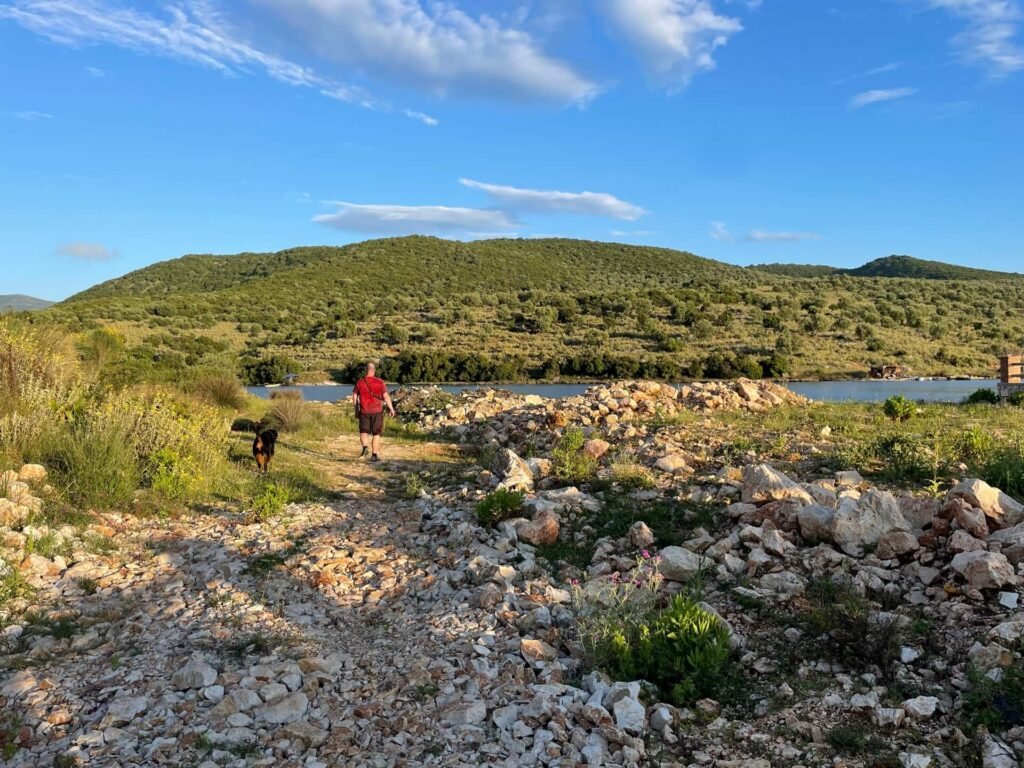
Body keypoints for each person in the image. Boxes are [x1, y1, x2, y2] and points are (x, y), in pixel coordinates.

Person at [352, 362, 395, 462]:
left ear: (366, 370)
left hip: (364, 411)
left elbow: (354, 397)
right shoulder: (380, 382)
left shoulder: (360, 382)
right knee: (376, 433)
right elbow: (385, 396)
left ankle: (365, 448)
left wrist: (356, 410)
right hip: (377, 411)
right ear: (374, 370)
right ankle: (374, 455)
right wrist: (391, 408)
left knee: (363, 431)